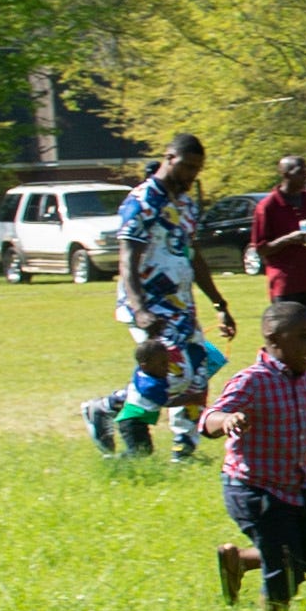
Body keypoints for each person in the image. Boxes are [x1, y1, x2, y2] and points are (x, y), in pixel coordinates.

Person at [204, 301, 306, 611]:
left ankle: (240, 560)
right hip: (254, 488)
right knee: (284, 564)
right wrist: (227, 421)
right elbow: (209, 418)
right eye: (302, 336)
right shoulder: (253, 380)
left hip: (294, 488)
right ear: (273, 340)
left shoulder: (305, 380)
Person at [117, 134, 238, 457]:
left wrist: (219, 303)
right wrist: (140, 308)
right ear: (169, 158)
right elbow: (127, 258)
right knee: (174, 370)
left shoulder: (185, 205)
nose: (191, 176)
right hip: (149, 303)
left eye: (197, 169)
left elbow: (193, 254)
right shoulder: (141, 201)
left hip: (181, 304)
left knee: (199, 370)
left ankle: (184, 449)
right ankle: (126, 423)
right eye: (187, 167)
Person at [249, 154, 306, 380]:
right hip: (286, 281)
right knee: (287, 333)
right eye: (299, 170)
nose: (305, 174)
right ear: (285, 173)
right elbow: (260, 248)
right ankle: (282, 375)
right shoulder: (267, 206)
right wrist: (289, 239)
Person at [81, 334, 219, 459]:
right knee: (138, 452)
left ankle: (119, 460)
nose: (167, 368)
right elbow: (167, 402)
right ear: (145, 366)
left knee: (144, 451)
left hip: (137, 421)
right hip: (132, 422)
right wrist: (191, 399)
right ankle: (114, 461)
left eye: (167, 363)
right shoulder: (151, 385)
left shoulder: (145, 374)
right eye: (162, 364)